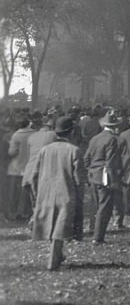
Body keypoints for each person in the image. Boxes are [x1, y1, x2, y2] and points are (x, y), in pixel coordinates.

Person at [30, 116, 85, 270]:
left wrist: (36, 194)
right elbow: (79, 178)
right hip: (66, 193)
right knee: (60, 227)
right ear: (71, 132)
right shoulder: (75, 151)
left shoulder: (44, 150)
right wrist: (79, 196)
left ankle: (58, 255)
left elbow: (34, 175)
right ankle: (53, 261)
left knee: (51, 223)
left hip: (45, 192)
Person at [84, 110, 124, 244]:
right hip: (105, 176)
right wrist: (114, 181)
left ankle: (92, 230)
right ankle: (98, 237)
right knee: (104, 207)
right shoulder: (112, 139)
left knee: (95, 205)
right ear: (115, 126)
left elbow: (87, 158)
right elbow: (111, 161)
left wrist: (91, 170)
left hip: (94, 175)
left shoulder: (95, 138)